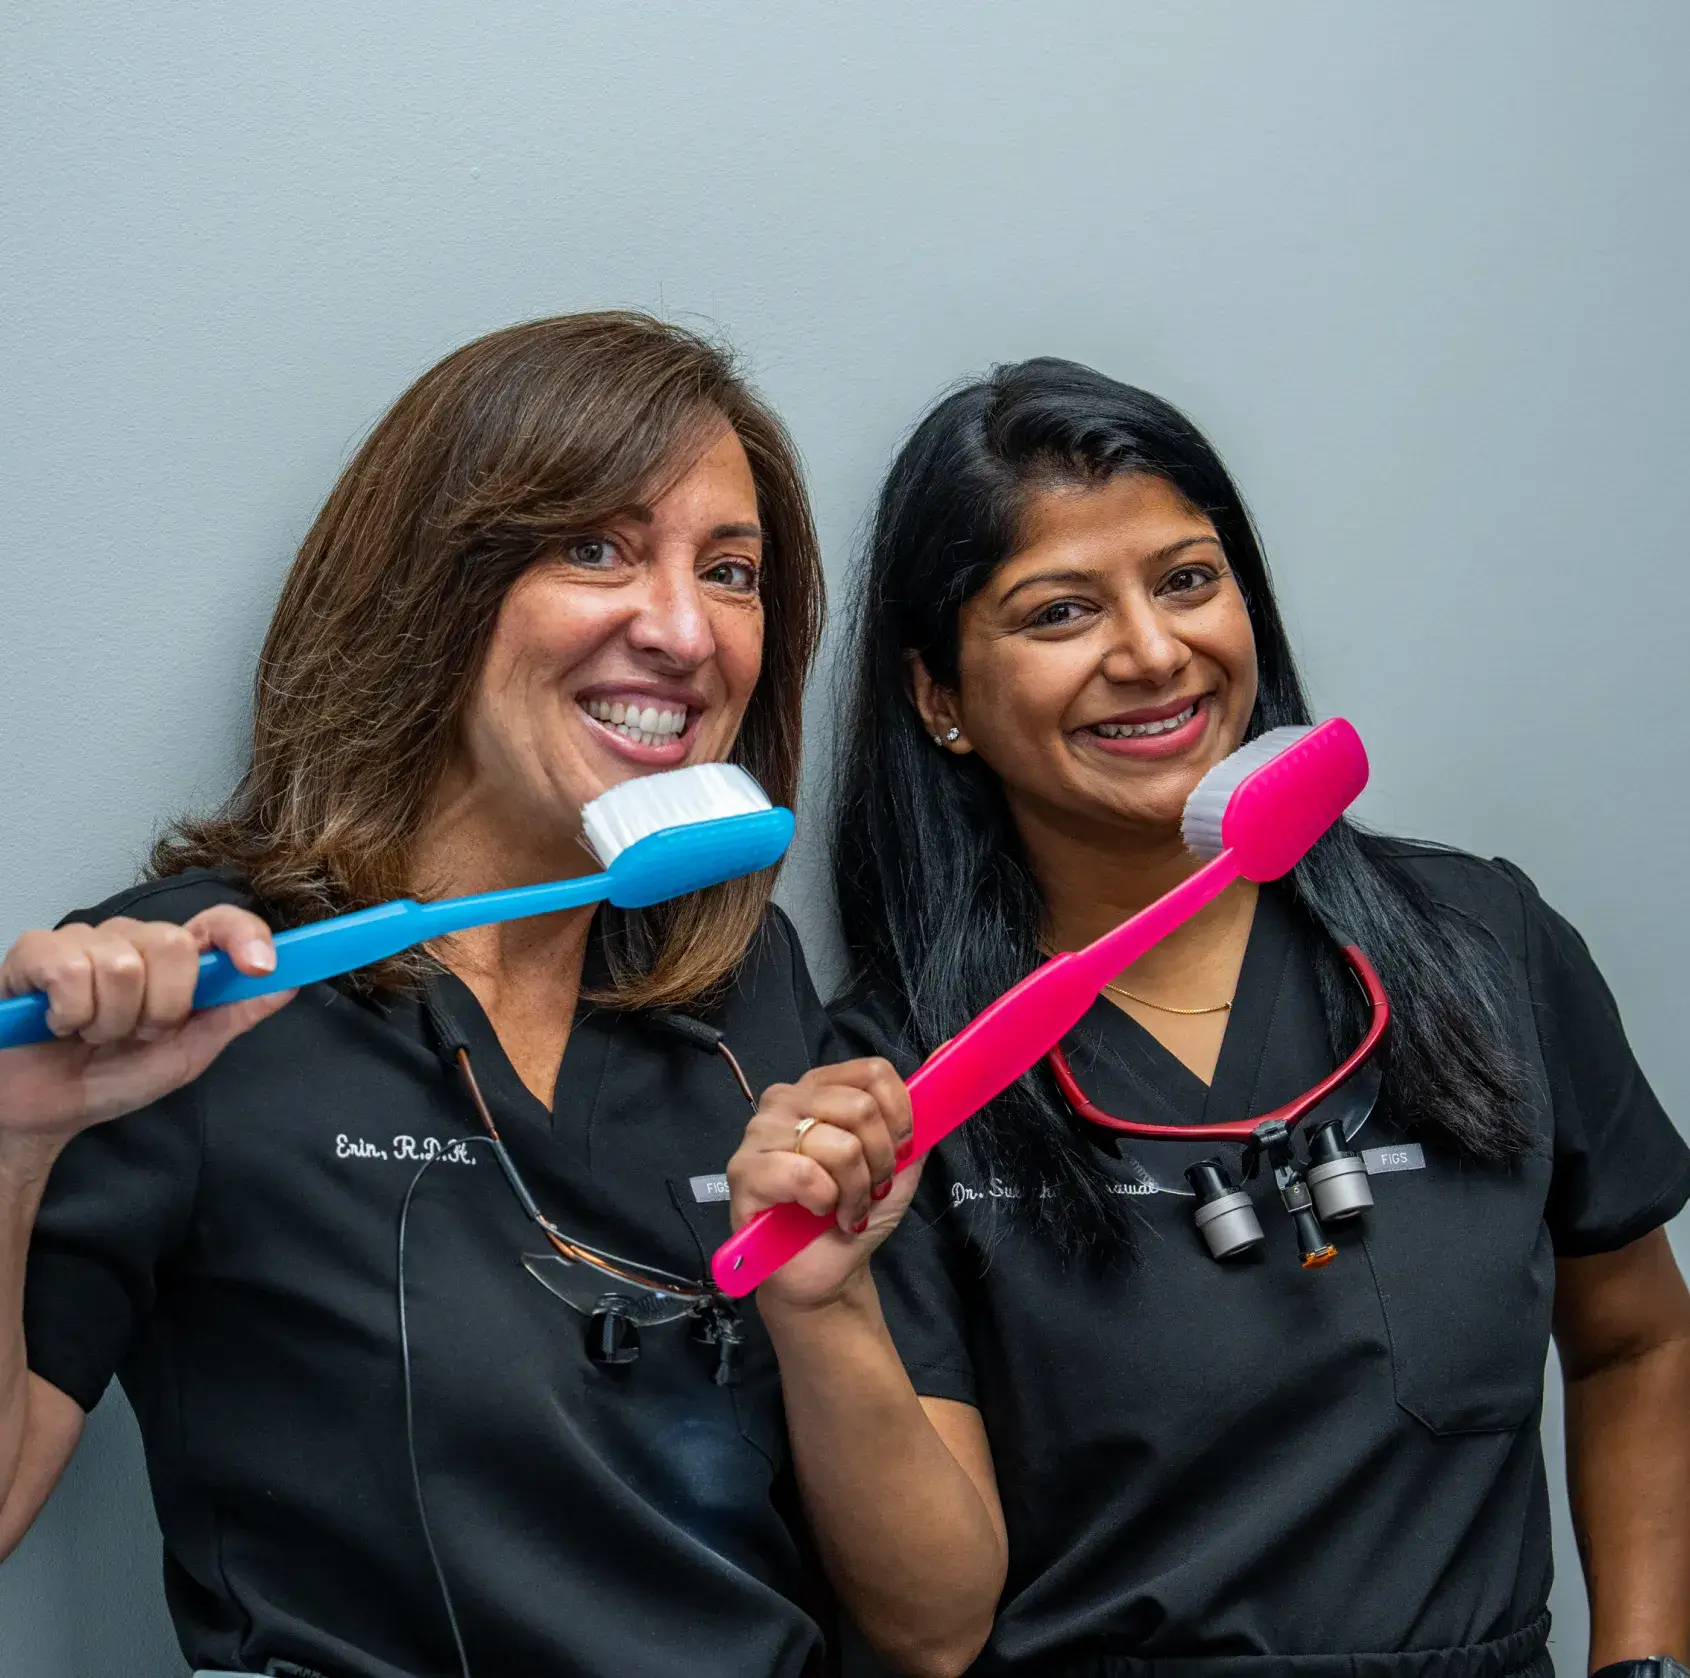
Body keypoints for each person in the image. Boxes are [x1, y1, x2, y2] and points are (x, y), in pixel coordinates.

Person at [726, 359, 1690, 1678]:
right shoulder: (894, 1083)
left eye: (1186, 578)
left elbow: (1635, 1334)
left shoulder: (1482, 942)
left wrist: (1639, 1663)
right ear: (937, 695)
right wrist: (822, 1311)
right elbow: (927, 1632)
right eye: (1059, 610)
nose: (1152, 651)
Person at [0, 313, 914, 1678]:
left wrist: (827, 1301)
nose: (680, 628)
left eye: (729, 571)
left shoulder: (743, 981)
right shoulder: (192, 989)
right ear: (435, 584)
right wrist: (14, 1145)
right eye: (593, 547)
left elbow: (927, 1626)